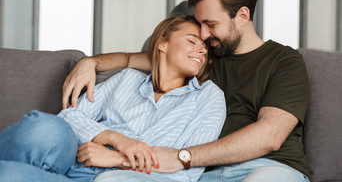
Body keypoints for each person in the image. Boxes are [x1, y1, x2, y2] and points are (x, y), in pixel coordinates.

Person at [62, 0, 311, 182]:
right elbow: (129, 59)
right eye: (200, 25)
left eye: (211, 24)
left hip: (269, 168)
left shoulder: (283, 61)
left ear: (242, 16)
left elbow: (270, 136)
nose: (202, 35)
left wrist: (184, 157)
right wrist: (89, 62)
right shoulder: (201, 57)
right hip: (204, 175)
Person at [0, 16, 226, 182]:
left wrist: (117, 159)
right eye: (192, 41)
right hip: (74, 158)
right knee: (45, 127)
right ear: (162, 43)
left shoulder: (208, 97)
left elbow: (189, 170)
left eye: (205, 46)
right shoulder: (128, 79)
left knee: (9, 174)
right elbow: (69, 116)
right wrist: (116, 138)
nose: (202, 50)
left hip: (118, 178)